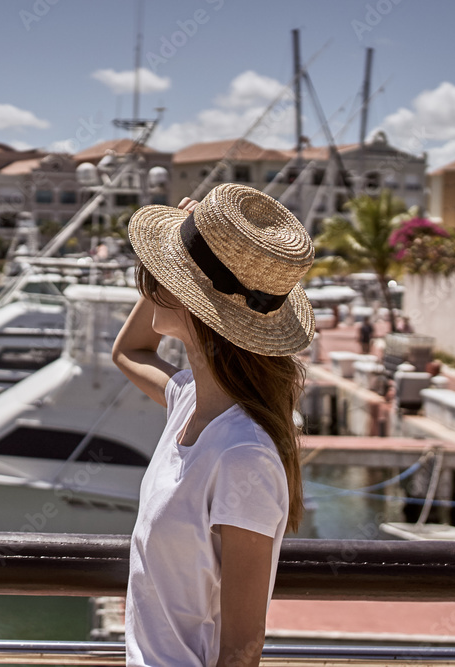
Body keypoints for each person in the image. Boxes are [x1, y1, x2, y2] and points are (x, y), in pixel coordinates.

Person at [112, 183, 314, 667]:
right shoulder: (188, 401)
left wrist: (179, 260)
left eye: (159, 277)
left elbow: (243, 648)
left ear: (194, 306)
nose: (151, 282)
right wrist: (180, 251)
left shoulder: (242, 453)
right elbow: (128, 352)